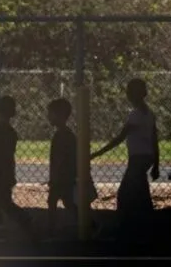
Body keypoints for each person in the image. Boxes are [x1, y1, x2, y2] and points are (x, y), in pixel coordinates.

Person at [91, 78, 160, 235]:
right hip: (146, 157)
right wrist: (156, 164)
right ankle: (145, 224)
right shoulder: (149, 114)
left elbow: (120, 137)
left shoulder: (135, 115)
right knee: (141, 192)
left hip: (137, 158)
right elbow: (154, 140)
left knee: (124, 194)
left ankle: (124, 225)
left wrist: (97, 153)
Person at [0, 95, 35, 241]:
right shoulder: (11, 132)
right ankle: (23, 218)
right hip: (6, 170)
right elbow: (9, 156)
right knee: (5, 201)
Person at [45, 97, 96, 238]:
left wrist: (54, 177)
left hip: (62, 177)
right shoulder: (67, 135)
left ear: (60, 115)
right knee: (68, 203)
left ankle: (51, 230)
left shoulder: (62, 136)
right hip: (66, 176)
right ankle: (89, 224)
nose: (48, 116)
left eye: (51, 113)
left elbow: (60, 160)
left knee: (55, 201)